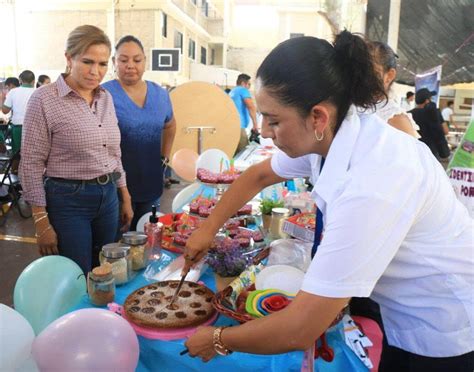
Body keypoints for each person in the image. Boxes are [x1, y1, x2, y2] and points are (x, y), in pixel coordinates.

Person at [183, 32, 473, 371]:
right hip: (405, 309)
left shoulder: (373, 181)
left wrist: (218, 340)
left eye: (274, 120)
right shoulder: (334, 136)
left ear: (318, 117)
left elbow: (300, 329)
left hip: (446, 324)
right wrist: (208, 229)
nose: (263, 131)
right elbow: (258, 176)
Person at [19, 25, 133, 275]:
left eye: (103, 64)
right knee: (77, 274)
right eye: (88, 62)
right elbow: (30, 163)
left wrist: (124, 195)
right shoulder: (44, 99)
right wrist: (41, 221)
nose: (96, 72)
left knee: (106, 270)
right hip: (68, 200)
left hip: (108, 195)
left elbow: (114, 153)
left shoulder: (106, 98)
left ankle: (101, 315)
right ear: (69, 58)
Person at [102, 35, 176, 230]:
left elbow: (170, 125)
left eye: (137, 60)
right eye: (123, 60)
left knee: (147, 239)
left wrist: (164, 157)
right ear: (114, 62)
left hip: (151, 182)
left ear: (145, 61)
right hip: (114, 187)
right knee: (115, 246)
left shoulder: (160, 94)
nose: (130, 65)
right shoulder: (103, 94)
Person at [367, 41, 419, 137]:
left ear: (389, 75)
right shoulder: (347, 108)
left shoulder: (397, 121)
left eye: (370, 72)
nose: (362, 78)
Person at [410, 88, 450, 160]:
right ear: (427, 101)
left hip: (414, 150)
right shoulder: (435, 113)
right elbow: (446, 131)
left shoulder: (409, 114)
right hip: (432, 151)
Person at [2, 70, 35, 155]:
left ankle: (15, 168)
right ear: (33, 81)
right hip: (34, 128)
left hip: (18, 128)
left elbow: (5, 111)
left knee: (16, 155)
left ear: (20, 80)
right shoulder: (38, 92)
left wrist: (2, 99)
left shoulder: (13, 92)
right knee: (33, 154)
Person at [229, 73, 259, 154]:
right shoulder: (243, 90)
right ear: (243, 83)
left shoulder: (232, 92)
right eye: (249, 84)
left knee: (235, 153)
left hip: (232, 126)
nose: (249, 87)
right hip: (239, 126)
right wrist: (255, 125)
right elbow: (251, 107)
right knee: (244, 153)